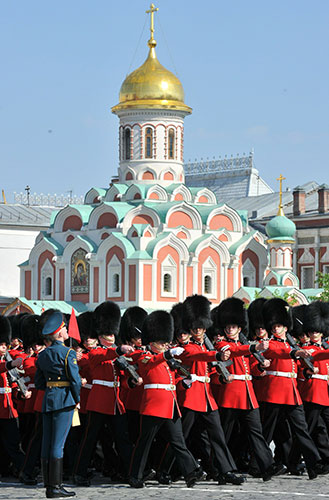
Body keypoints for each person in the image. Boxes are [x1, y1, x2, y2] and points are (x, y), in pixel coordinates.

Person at [35, 311, 81, 498]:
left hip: (49, 399)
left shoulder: (43, 355)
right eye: (64, 327)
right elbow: (75, 381)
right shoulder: (68, 353)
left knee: (47, 442)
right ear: (60, 333)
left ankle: (49, 485)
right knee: (58, 444)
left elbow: (39, 383)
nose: (66, 329)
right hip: (64, 399)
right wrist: (76, 398)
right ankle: (56, 486)